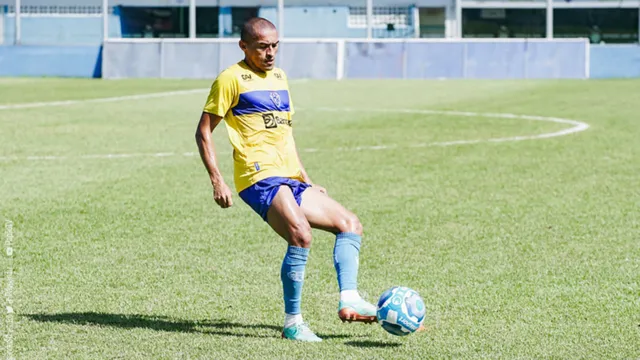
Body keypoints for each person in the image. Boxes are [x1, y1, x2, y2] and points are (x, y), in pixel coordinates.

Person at [194, 17, 377, 342]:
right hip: (258, 176)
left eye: (275, 45)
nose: (270, 52)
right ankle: (293, 322)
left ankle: (349, 299)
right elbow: (204, 131)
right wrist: (217, 180)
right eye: (263, 46)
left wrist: (306, 179)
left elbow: (285, 135)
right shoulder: (230, 79)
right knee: (301, 235)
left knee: (350, 223)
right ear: (244, 46)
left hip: (289, 177)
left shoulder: (279, 77)